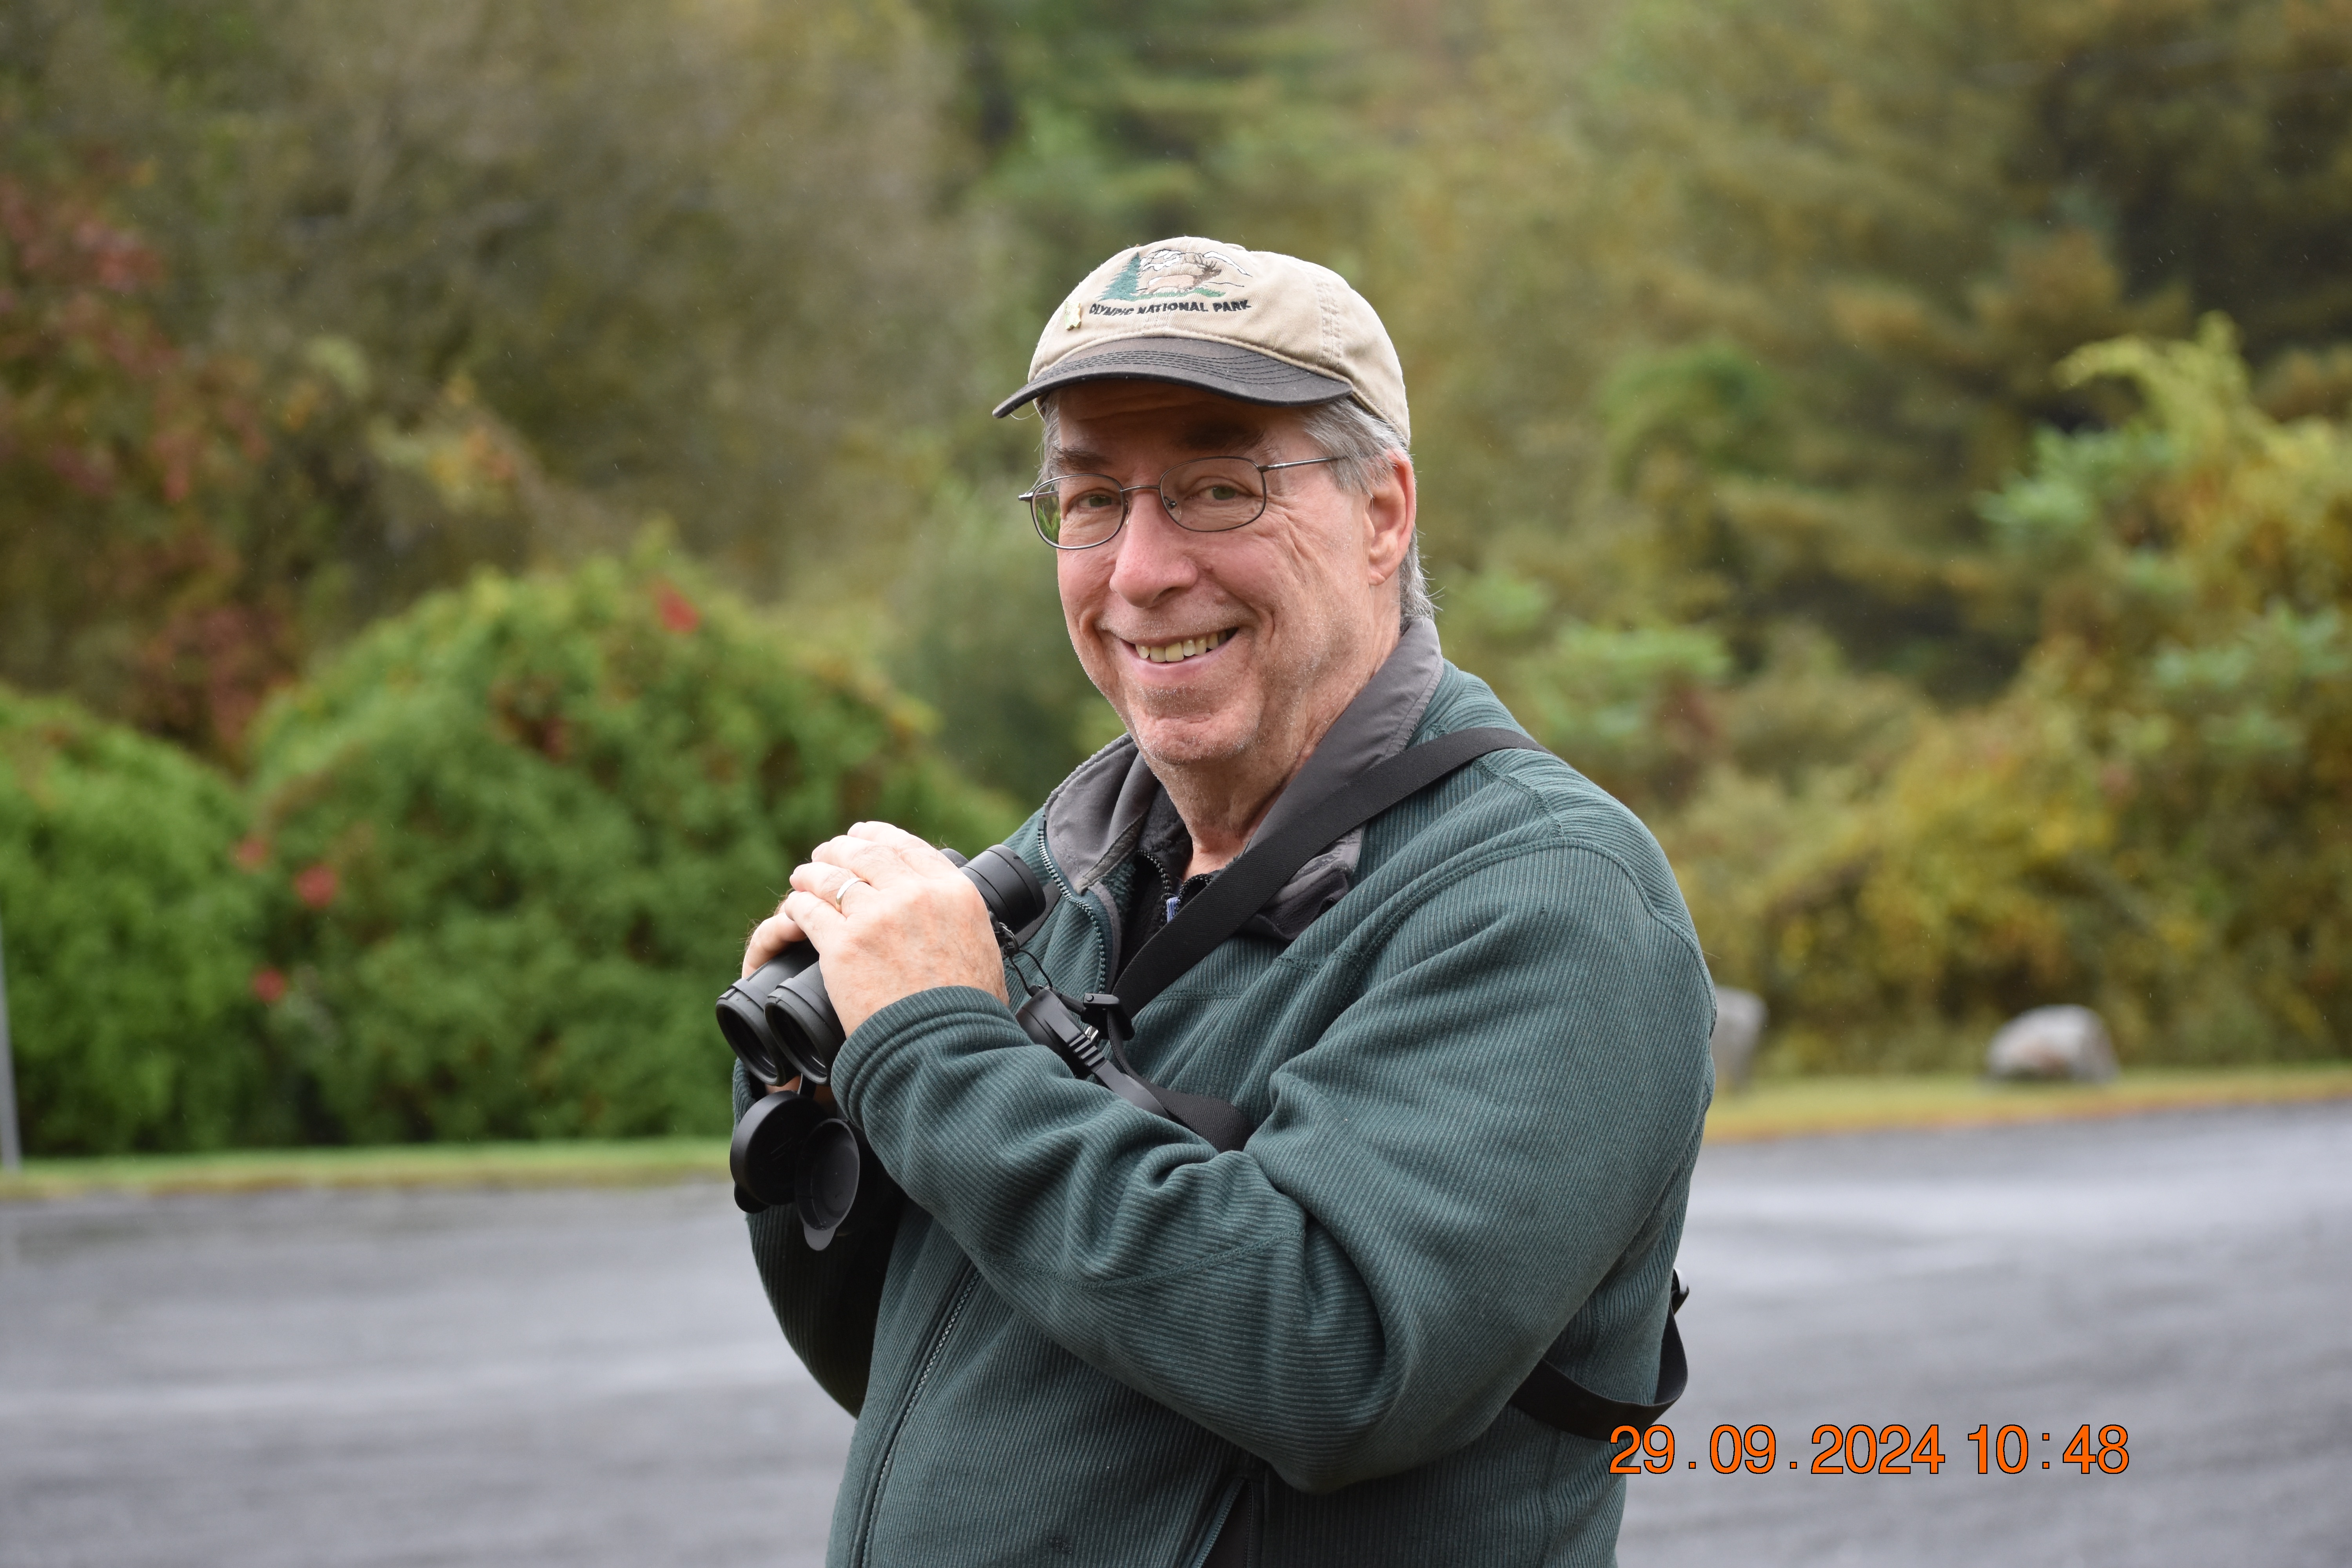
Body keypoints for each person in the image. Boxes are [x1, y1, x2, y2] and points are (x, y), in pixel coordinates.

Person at [736, 238, 1714, 1566]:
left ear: (1384, 515)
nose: (1139, 570)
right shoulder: (1079, 864)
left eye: (1216, 488)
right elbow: (928, 1365)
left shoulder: (1547, 901)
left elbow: (1340, 1359)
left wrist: (935, 1050)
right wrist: (816, 1100)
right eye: (1089, 500)